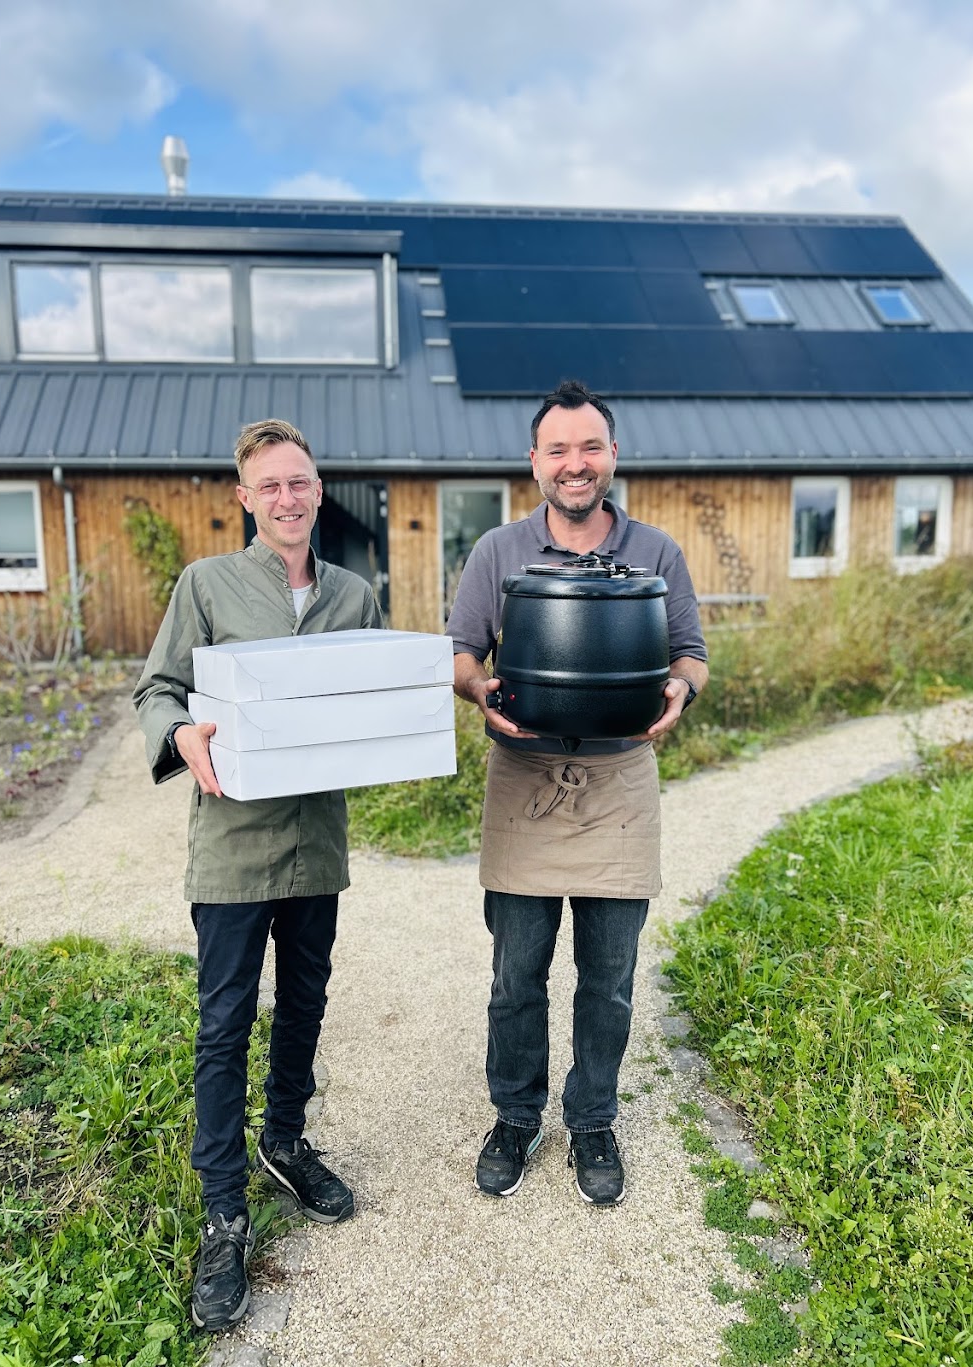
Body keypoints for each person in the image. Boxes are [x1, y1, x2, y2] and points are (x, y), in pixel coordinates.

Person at [133, 419, 382, 1332]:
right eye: (269, 484)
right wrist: (180, 732)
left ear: (320, 492)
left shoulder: (355, 594)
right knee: (223, 1019)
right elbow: (157, 689)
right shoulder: (204, 585)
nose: (287, 497)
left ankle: (284, 1140)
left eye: (300, 482)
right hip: (232, 847)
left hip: (316, 842)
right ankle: (223, 1207)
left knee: (306, 1000)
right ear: (245, 498)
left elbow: (368, 699)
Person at [446, 380, 708, 1207]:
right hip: (522, 780)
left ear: (611, 456)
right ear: (534, 462)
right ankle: (515, 1115)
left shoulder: (656, 552)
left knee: (609, 975)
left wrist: (679, 693)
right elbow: (460, 652)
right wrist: (479, 691)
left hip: (619, 779)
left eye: (589, 447)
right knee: (515, 973)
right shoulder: (497, 551)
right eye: (558, 449)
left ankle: (591, 1117)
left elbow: (689, 654)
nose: (574, 463)